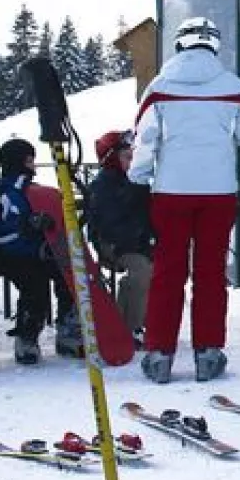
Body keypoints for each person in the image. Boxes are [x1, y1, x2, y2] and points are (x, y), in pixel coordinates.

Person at [129, 17, 240, 383]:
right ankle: (208, 351)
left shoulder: (159, 87)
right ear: (214, 46)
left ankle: (160, 353)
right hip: (219, 191)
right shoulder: (232, 86)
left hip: (171, 191)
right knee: (210, 272)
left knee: (168, 271)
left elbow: (145, 139)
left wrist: (139, 174)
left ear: (179, 44)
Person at [0, 138, 79, 364]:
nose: (34, 165)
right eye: (31, 160)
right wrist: (27, 227)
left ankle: (68, 329)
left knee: (67, 273)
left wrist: (45, 237)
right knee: (35, 286)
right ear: (23, 161)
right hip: (11, 255)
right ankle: (27, 336)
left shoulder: (29, 190)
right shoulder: (5, 191)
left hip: (33, 251)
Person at [87, 129, 154, 339]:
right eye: (127, 157)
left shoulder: (134, 181)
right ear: (112, 159)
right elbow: (110, 225)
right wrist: (142, 240)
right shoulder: (104, 186)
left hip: (137, 242)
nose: (132, 161)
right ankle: (133, 325)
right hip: (115, 245)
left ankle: (135, 318)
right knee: (142, 270)